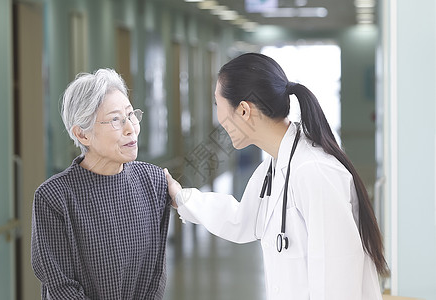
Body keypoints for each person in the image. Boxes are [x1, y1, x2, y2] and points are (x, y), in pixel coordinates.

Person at [164, 53, 388, 300]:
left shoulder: (315, 171)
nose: (218, 119)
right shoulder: (274, 167)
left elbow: (337, 281)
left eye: (218, 105)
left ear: (243, 110)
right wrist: (181, 197)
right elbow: (241, 221)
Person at [31, 69, 170, 299]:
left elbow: (155, 275)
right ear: (82, 135)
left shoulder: (153, 182)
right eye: (116, 119)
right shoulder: (53, 197)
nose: (130, 128)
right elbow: (61, 287)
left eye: (130, 115)